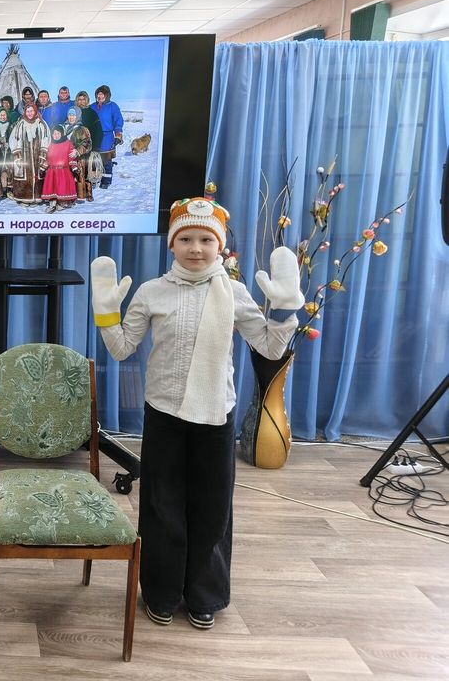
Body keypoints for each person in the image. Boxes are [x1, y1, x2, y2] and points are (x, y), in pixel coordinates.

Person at [89, 198, 302, 631]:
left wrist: (283, 311)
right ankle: (161, 592)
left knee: (212, 505)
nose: (196, 248)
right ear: (172, 244)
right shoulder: (152, 292)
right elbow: (122, 348)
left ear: (220, 246)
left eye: (206, 240)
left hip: (216, 415)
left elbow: (269, 347)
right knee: (161, 505)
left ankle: (205, 594)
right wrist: (106, 313)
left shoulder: (234, 292)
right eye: (186, 239)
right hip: (164, 412)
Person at [7, 103, 49, 206]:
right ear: (25, 112)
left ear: (35, 111)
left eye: (32, 111)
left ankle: (36, 198)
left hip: (37, 156)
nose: (30, 113)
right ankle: (24, 199)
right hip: (24, 156)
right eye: (27, 111)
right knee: (24, 176)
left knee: (37, 176)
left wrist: (43, 154)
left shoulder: (41, 124)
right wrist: (17, 156)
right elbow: (15, 139)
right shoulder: (21, 124)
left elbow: (46, 139)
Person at [38, 124, 79, 213]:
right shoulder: (51, 145)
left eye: (58, 133)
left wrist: (74, 168)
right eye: (54, 134)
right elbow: (48, 158)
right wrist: (43, 168)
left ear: (62, 134)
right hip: (52, 171)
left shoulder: (68, 144)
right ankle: (52, 203)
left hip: (63, 171)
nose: (55, 136)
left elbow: (71, 158)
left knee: (62, 188)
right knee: (52, 187)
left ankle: (62, 203)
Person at [63, 106, 100, 202]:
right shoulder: (63, 127)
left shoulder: (82, 129)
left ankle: (82, 194)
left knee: (79, 176)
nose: (71, 117)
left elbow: (88, 143)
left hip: (79, 159)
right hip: (65, 158)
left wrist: (78, 151)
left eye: (73, 115)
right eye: (69, 115)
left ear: (78, 116)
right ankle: (67, 195)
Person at [91, 85, 124, 189]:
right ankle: (95, 179)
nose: (99, 96)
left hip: (107, 135)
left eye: (102, 94)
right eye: (98, 94)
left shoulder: (112, 106)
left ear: (107, 95)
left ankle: (106, 180)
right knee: (94, 158)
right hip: (94, 136)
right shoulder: (92, 106)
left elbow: (118, 120)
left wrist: (118, 135)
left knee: (106, 159)